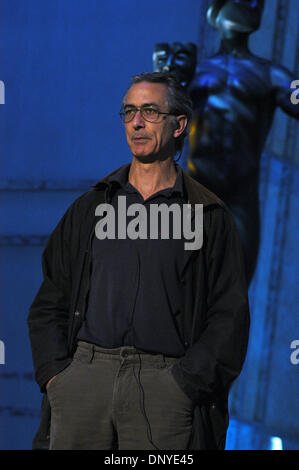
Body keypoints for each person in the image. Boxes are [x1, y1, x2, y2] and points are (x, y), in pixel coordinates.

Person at [27, 72, 250, 450]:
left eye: (149, 111)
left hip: (165, 388)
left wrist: (184, 385)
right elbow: (51, 297)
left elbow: (229, 315)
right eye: (129, 111)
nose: (136, 122)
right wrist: (57, 376)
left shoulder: (208, 215)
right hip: (84, 380)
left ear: (179, 125)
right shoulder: (91, 208)